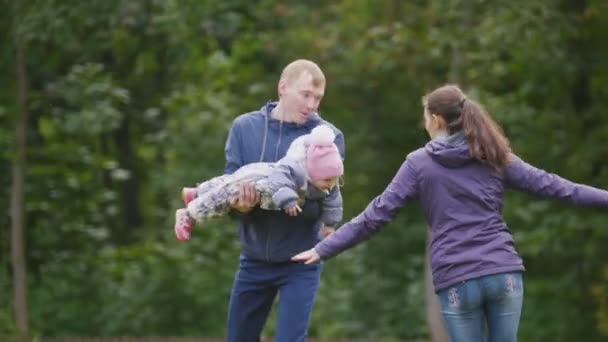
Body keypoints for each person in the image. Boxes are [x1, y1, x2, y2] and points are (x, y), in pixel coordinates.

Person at [292, 84, 608, 342]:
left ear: (437, 120)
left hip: (458, 278)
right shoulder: (495, 155)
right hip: (503, 273)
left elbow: (376, 215)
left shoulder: (418, 164)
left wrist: (324, 248)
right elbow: (557, 187)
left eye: (425, 117)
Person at [223, 59, 345, 342]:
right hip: (253, 259)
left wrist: (289, 195)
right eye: (306, 95)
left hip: (301, 261)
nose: (313, 104)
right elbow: (226, 191)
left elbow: (326, 199)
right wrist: (239, 207)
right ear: (283, 88)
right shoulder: (244, 128)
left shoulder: (327, 137)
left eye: (318, 98)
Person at [173, 124, 344, 241]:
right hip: (262, 180)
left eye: (335, 179)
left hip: (268, 186)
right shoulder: (293, 169)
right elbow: (278, 182)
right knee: (229, 192)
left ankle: (198, 193)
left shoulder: (328, 182)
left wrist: (329, 225)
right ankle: (189, 215)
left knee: (229, 181)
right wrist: (289, 200)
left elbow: (333, 203)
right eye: (328, 180)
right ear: (313, 173)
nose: (332, 184)